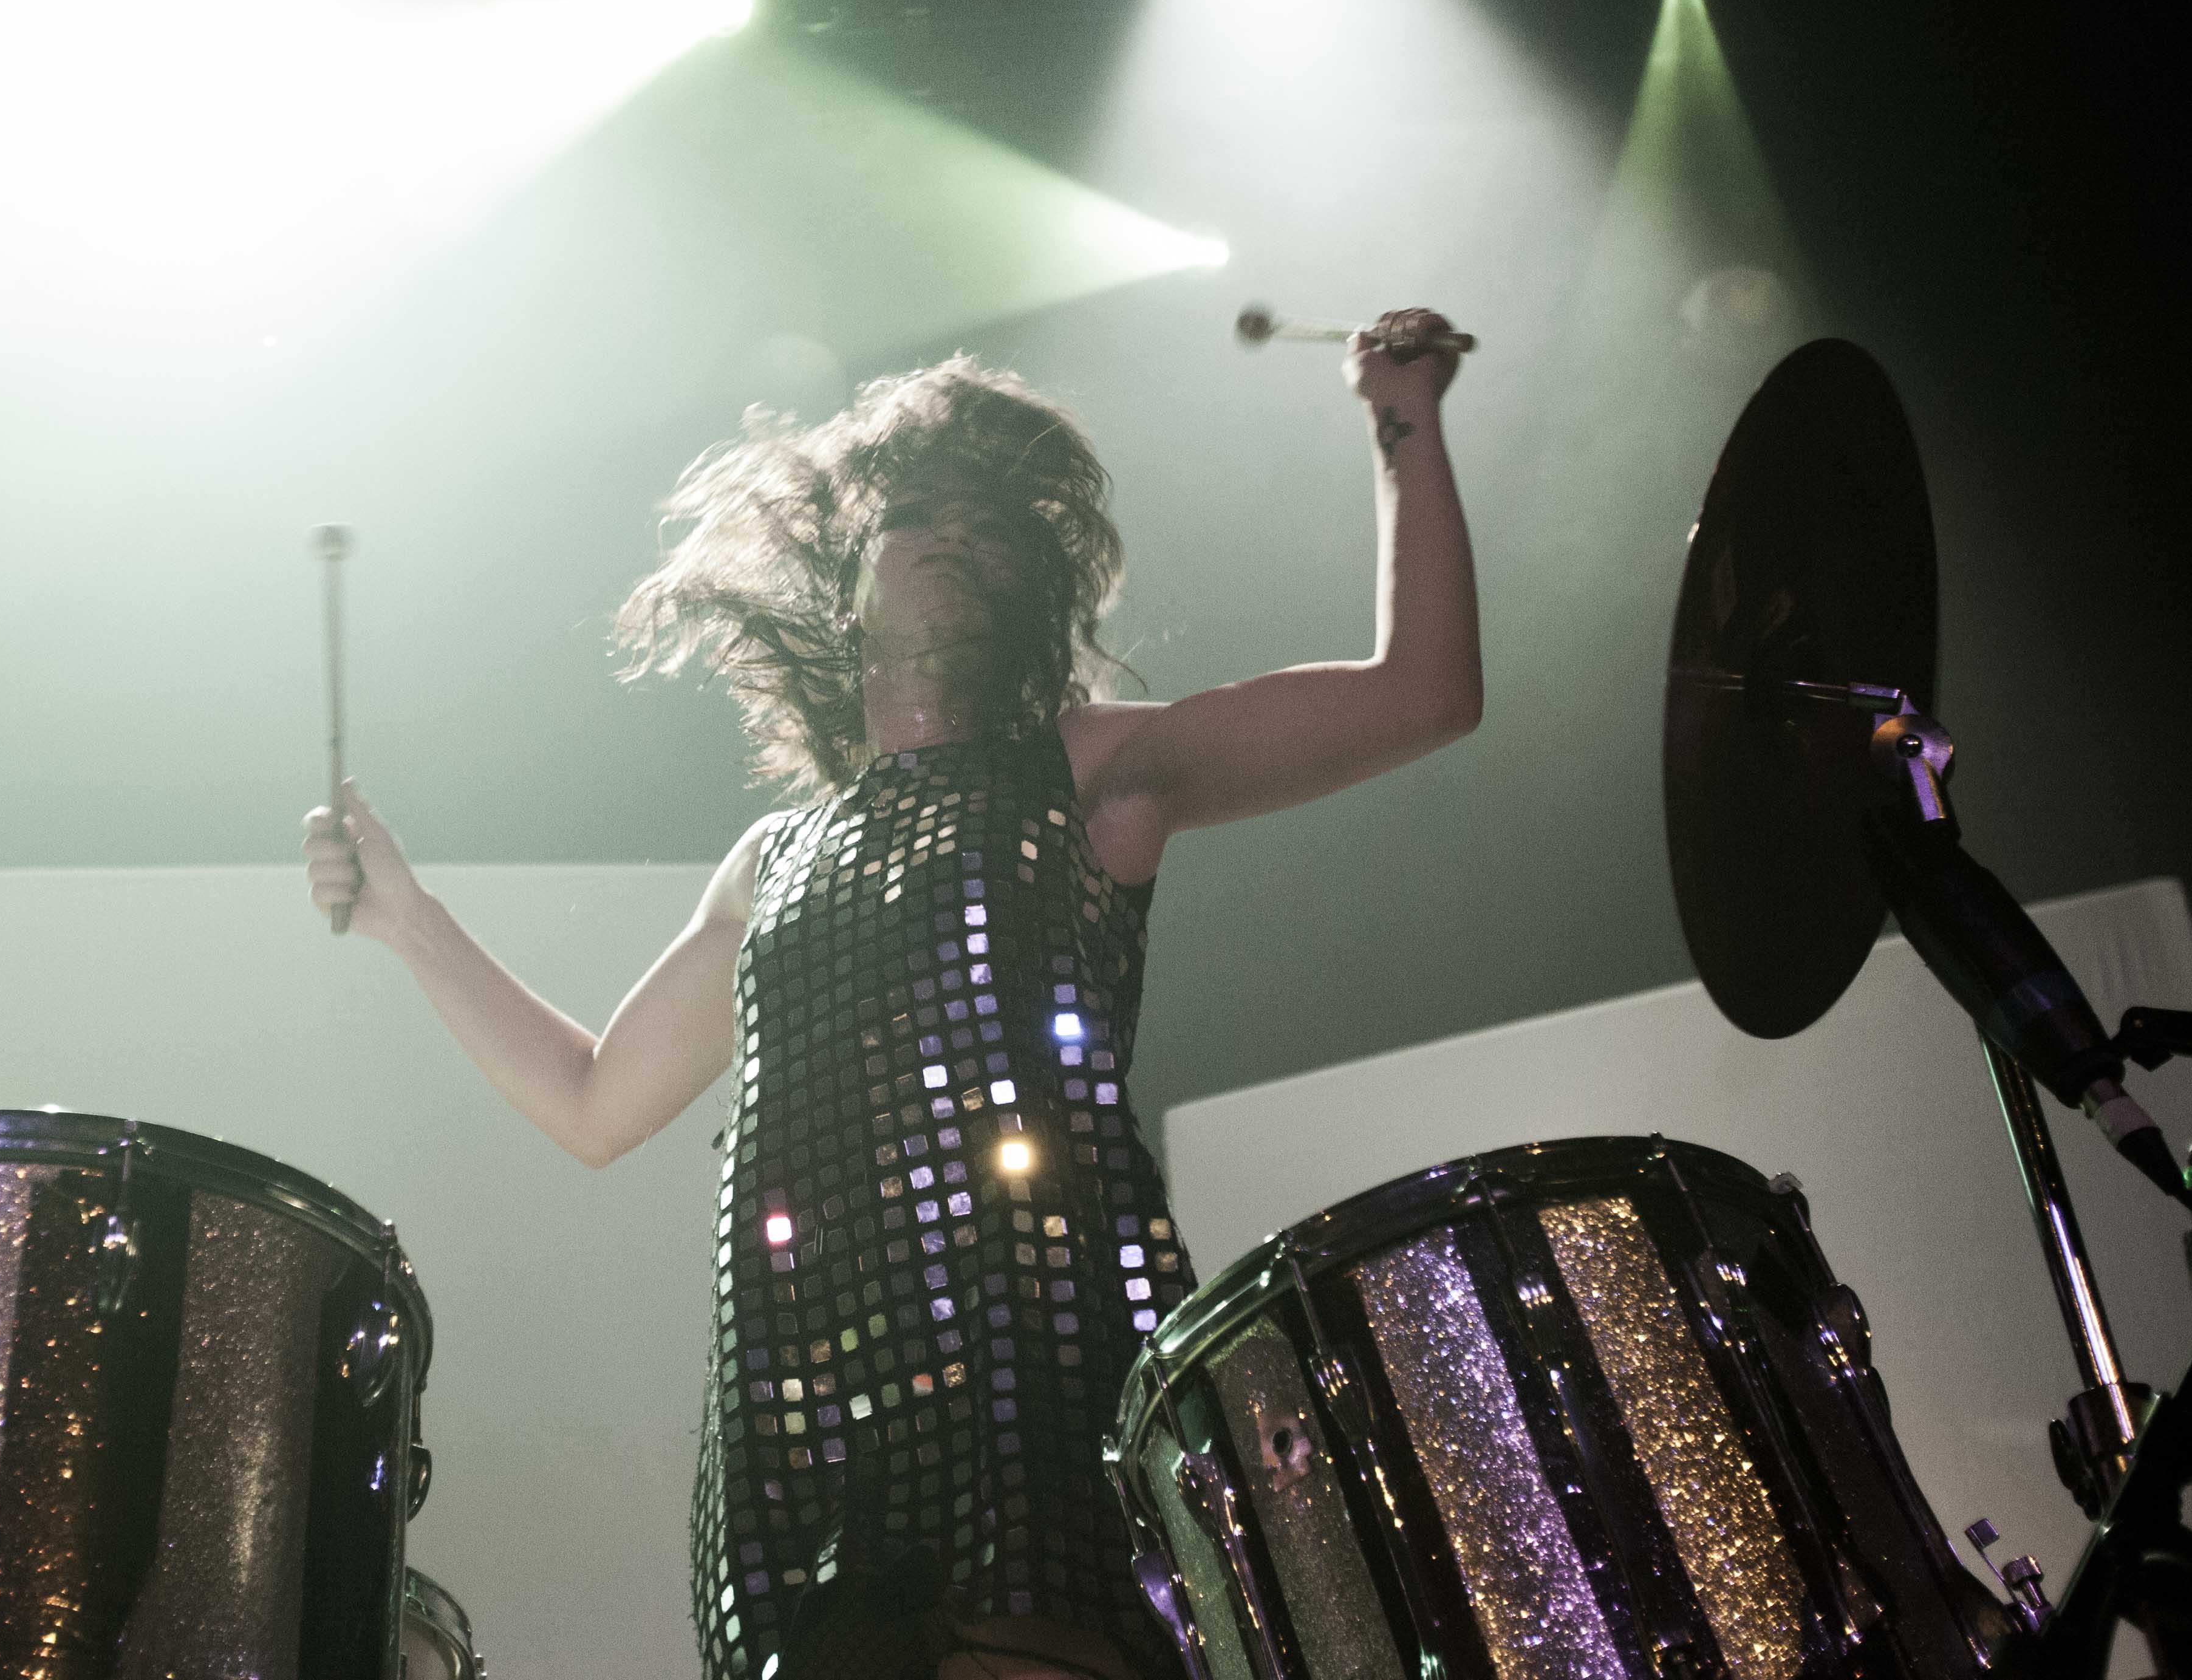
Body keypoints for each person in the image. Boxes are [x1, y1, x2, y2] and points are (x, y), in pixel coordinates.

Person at [304, 309, 1483, 1680]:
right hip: (800, 1446)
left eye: (991, 526)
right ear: (843, 581)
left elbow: (1424, 694)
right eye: (918, 512)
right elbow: (592, 1100)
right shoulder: (773, 859)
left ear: (1035, 586)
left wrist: (1403, 419)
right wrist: (406, 919)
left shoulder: (1090, 770)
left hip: (1032, 1394)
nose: (953, 538)